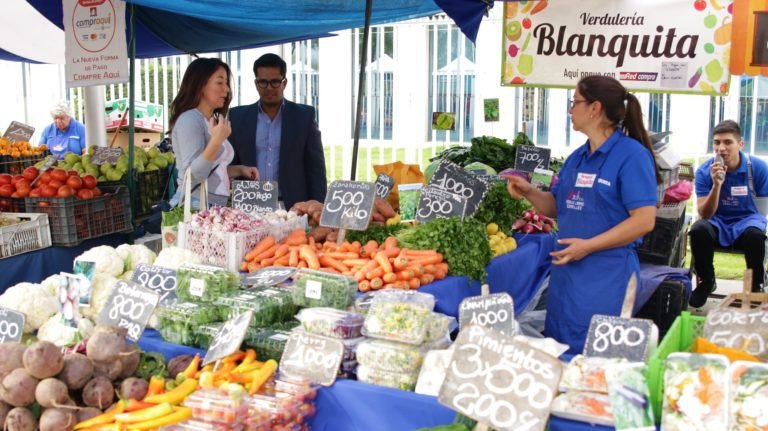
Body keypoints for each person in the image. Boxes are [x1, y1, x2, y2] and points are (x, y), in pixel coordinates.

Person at [503, 76, 660, 353]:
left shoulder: (631, 156)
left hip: (606, 276)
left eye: (574, 102)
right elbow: (556, 207)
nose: (570, 110)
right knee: (560, 353)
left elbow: (644, 220)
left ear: (594, 108)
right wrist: (528, 191)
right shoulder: (578, 157)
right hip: (567, 276)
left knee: (597, 361)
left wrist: (588, 247)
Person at [229, 53, 326, 210]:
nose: (269, 88)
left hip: (292, 207)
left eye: (274, 82)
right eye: (263, 82)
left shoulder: (304, 117)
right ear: (256, 83)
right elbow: (231, 164)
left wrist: (316, 208)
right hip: (249, 206)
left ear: (284, 83)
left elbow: (316, 170)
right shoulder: (238, 117)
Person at [689, 120, 768, 306]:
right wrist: (717, 184)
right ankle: (707, 281)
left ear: (740, 144)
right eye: (717, 143)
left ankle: (755, 284)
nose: (721, 148)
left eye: (727, 142)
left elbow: (763, 211)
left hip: (747, 222)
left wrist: (749, 221)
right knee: (698, 229)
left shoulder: (758, 168)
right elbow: (705, 214)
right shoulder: (703, 171)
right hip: (716, 222)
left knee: (756, 235)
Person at [169, 58, 259, 208]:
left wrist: (239, 170)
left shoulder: (209, 120)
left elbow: (209, 168)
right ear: (201, 85)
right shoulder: (190, 120)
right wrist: (216, 141)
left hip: (211, 206)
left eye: (226, 83)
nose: (227, 89)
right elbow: (194, 175)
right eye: (220, 82)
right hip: (195, 207)